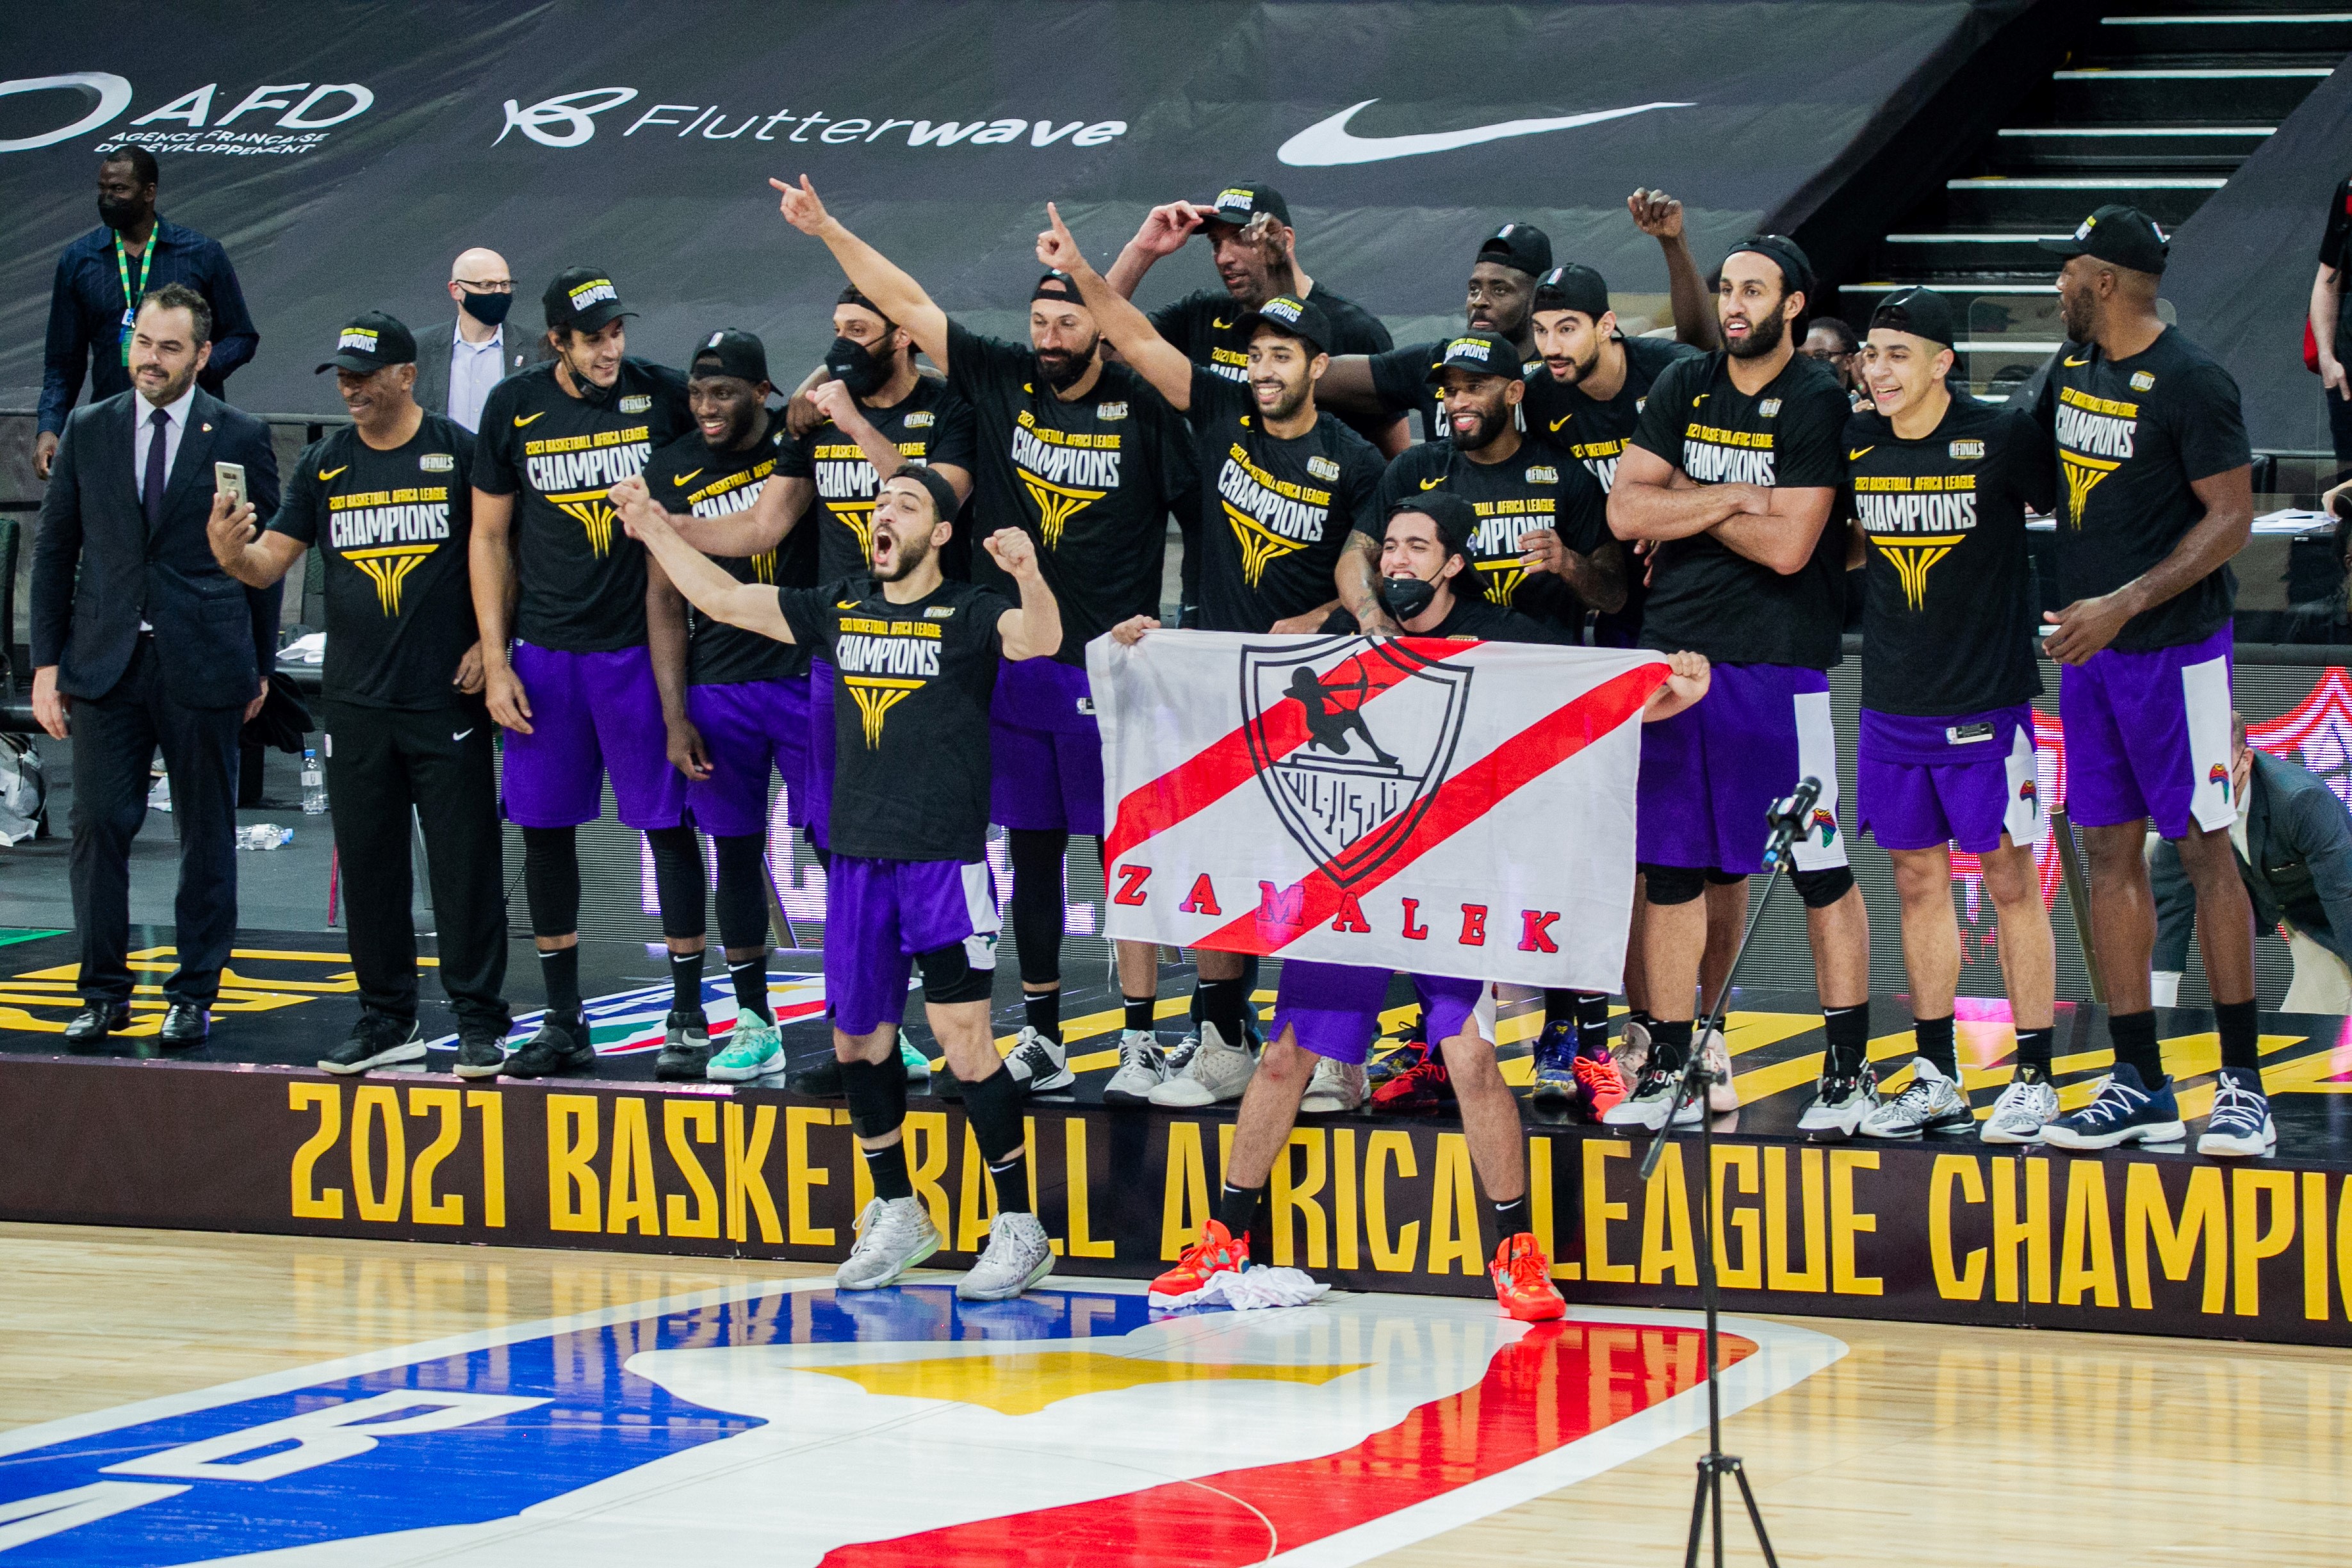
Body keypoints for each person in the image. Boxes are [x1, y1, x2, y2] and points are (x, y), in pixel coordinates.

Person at [1143, 495, 1712, 1319]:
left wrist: (1678, 690)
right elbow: (1229, 685)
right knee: (1283, 1060)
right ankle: (1223, 1238)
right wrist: (1147, 649)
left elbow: (1596, 704)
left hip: (1445, 891)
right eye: (1391, 548)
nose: (1398, 561)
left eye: (1417, 547)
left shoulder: (1503, 639)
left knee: (1472, 1060)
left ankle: (1516, 1254)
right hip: (1349, 885)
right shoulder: (1344, 631)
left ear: (1453, 564)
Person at [768, 175, 1194, 1098]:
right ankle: (1042, 1033)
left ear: (1100, 328)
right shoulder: (1002, 379)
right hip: (1018, 658)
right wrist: (830, 225)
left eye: (1069, 322)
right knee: (1033, 856)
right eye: (1040, 322)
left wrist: (1180, 617)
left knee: (1124, 860)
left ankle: (1138, 1040)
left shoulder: (1142, 403)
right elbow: (909, 300)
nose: (1051, 336)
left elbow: (1198, 516)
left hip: (1111, 666)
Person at [611, 466, 1064, 1302]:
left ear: (940, 535)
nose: (885, 512)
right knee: (857, 1042)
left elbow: (1038, 638)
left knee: (964, 1041)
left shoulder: (968, 612)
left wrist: (1029, 574)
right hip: (857, 862)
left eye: (907, 504)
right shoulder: (840, 605)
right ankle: (899, 1211)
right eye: (881, 501)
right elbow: (722, 598)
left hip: (942, 862)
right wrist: (653, 525)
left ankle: (1020, 1227)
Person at [1042, 206, 1386, 1109]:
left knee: (1321, 872)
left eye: (1283, 356)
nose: (1264, 369)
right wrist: (1085, 266)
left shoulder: (1355, 461)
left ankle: (1337, 1057)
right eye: (1257, 355)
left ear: (1318, 367)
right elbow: (1129, 337)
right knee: (1217, 864)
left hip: (1316, 696)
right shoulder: (1223, 408)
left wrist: (1325, 614)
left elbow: (1367, 569)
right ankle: (1224, 1042)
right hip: (1216, 682)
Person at [1605, 234, 1869, 1136]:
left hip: (1779, 665)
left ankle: (1846, 1070)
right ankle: (1673, 1060)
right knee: (1673, 869)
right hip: (1675, 660)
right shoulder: (1686, 382)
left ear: (1793, 305)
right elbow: (1625, 508)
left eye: (1755, 290)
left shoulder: (1817, 397)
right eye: (1726, 288)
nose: (1734, 305)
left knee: (1817, 869)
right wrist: (1730, 496)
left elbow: (1792, 547)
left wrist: (1689, 493)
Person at [205, 312, 510, 1076]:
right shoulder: (325, 464)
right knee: (371, 870)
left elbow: (503, 550)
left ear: (407, 375)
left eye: (365, 375)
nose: (350, 388)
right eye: (342, 375)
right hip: (356, 703)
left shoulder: (456, 451)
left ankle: (479, 1019)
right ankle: (386, 1018)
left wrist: (490, 643)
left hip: (445, 698)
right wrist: (230, 554)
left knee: (464, 866)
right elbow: (268, 563)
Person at [2029, 205, 2265, 1159]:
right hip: (2093, 655)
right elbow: (2030, 477)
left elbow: (2232, 519)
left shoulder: (2194, 379)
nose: (2057, 287)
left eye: (2067, 272)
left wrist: (2125, 603)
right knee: (2107, 852)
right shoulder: (2072, 368)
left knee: (2206, 852)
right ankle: (2140, 1081)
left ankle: (2243, 1085)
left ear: (2104, 281)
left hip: (2176, 652)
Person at [28, 282, 279, 1047]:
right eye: (143, 343)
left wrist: (260, 663)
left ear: (202, 356)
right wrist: (45, 664)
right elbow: (55, 552)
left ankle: (193, 992)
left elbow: (265, 561)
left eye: (170, 348)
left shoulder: (239, 434)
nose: (151, 359)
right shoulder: (89, 427)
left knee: (206, 831)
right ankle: (103, 992)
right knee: (98, 824)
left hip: (204, 659)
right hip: (104, 662)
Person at [1840, 288, 2062, 1143]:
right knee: (1915, 882)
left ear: (1943, 363)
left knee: (2009, 881)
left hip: (1986, 704)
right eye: (1871, 353)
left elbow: (2069, 510)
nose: (1879, 369)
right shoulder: (1858, 441)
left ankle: (2035, 1076)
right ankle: (1938, 1075)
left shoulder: (2000, 435)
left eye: (1898, 353)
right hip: (1893, 700)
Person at [469, 268, 700, 1079]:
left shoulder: (664, 396)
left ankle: (687, 1015)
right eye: (593, 338)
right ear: (557, 342)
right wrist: (495, 658)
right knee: (544, 833)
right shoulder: (514, 405)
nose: (610, 350)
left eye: (616, 333)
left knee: (667, 825)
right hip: (546, 654)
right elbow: (489, 537)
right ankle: (564, 1019)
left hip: (639, 649)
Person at [1520, 259, 1729, 1086]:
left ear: (1608, 325)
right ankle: (1645, 1024)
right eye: (1542, 331)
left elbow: (1728, 458)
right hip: (1611, 625)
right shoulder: (1542, 398)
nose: (1552, 346)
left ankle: (1710, 1022)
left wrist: (1667, 511)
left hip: (1696, 617)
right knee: (1634, 848)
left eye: (1567, 328)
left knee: (1712, 854)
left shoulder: (1670, 374)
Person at [631, 329, 818, 1084]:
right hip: (719, 686)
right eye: (698, 393)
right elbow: (662, 599)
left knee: (841, 849)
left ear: (763, 394)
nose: (706, 406)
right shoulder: (671, 466)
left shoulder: (800, 449)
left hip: (805, 674)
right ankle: (754, 1021)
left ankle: (869, 1017)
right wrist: (674, 714)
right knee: (735, 854)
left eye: (724, 393)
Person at [1104, 181, 1399, 447]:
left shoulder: (1354, 331)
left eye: (1241, 238)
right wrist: (1141, 251)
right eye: (1216, 243)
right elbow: (1099, 350)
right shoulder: (1201, 313)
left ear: (1285, 240)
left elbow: (1391, 458)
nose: (1224, 257)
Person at [35, 149, 259, 482]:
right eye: (102, 189)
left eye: (119, 190)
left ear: (149, 192)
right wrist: (49, 427)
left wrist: (197, 368)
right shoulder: (79, 260)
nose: (107, 199)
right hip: (114, 427)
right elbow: (62, 362)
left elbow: (241, 336)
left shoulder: (201, 254)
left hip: (192, 425)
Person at [2153, 712, 2352, 1015]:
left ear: (2246, 760)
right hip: (2289, 904)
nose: (2208, 799)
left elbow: (2345, 899)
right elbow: (2170, 908)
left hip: (2333, 915)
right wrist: (2158, 1013)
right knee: (2150, 851)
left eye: (2219, 780)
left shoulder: (2301, 802)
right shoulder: (2186, 803)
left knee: (2306, 1024)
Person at [413, 247, 532, 432]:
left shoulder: (536, 348)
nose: (499, 293)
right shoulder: (419, 350)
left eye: (505, 285)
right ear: (456, 290)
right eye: (487, 285)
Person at [2312, 170, 2352, 470]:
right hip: (2348, 382)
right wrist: (2327, 357)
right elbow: (2327, 280)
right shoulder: (2350, 191)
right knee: (2347, 490)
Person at [1801, 315, 1868, 409]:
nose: (1809, 363)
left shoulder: (1863, 408)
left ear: (1848, 362)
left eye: (1821, 356)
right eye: (1802, 357)